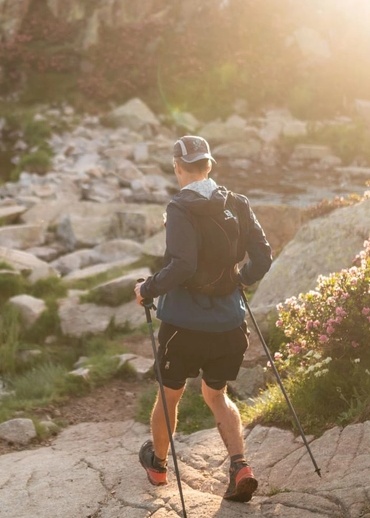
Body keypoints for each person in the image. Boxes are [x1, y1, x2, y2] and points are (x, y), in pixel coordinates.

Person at [133, 135, 273, 503]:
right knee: (217, 394)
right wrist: (240, 279)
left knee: (170, 395)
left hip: (184, 326)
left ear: (178, 168)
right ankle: (240, 465)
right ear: (208, 166)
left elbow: (183, 265)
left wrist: (147, 289)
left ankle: (159, 465)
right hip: (229, 324)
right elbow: (263, 258)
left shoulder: (179, 208)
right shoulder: (238, 203)